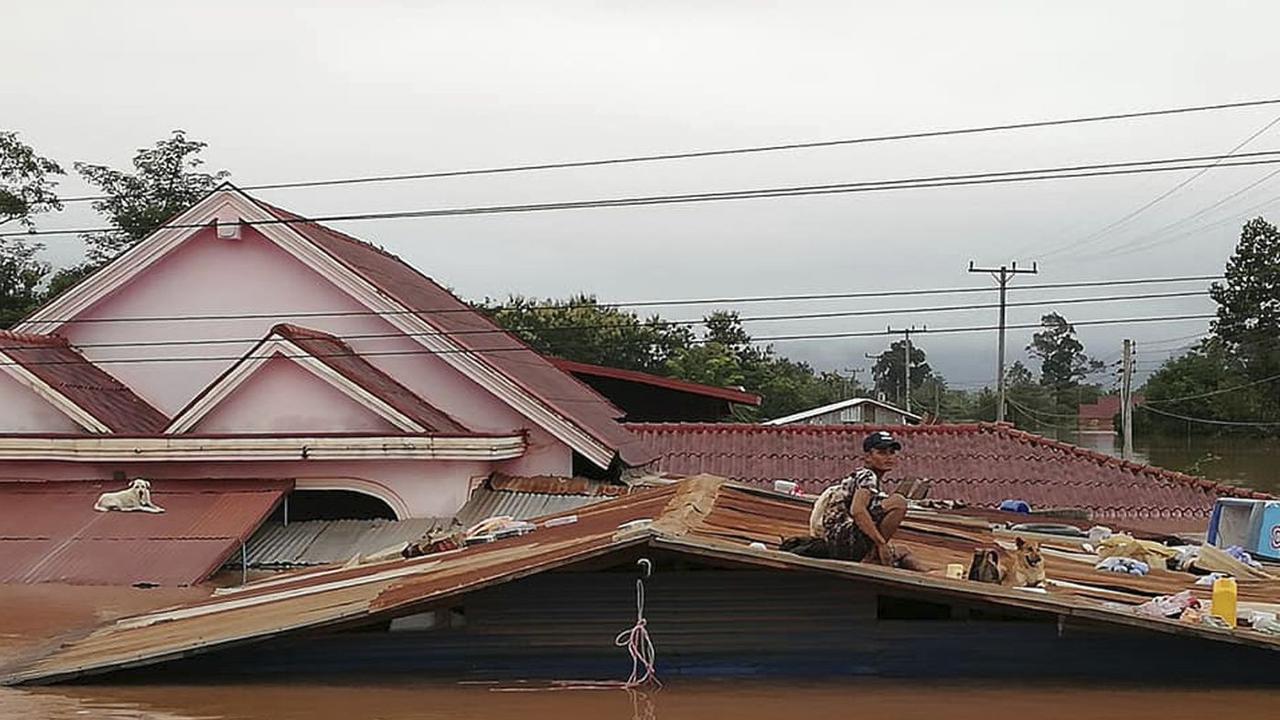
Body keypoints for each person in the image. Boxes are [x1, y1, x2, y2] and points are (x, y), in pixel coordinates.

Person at [815, 430, 910, 565]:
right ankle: (871, 556)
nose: (889, 457)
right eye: (882, 453)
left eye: (892, 452)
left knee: (905, 552)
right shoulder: (867, 476)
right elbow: (857, 510)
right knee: (898, 502)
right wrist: (881, 544)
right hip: (842, 539)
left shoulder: (868, 478)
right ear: (867, 457)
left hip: (839, 540)